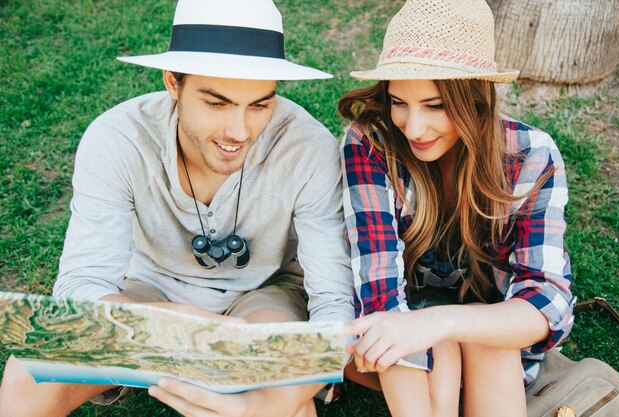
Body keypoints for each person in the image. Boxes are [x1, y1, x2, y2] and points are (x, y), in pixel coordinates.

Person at [0, 1, 354, 416]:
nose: (239, 131)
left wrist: (290, 387)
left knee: (279, 395)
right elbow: (82, 285)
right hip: (149, 289)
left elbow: (334, 306)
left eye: (260, 105)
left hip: (264, 298)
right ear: (173, 82)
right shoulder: (118, 138)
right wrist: (183, 325)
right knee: (28, 373)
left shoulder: (307, 148)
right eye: (217, 103)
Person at [339, 1, 575, 416]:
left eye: (435, 106)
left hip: (490, 338)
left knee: (486, 344)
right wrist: (425, 330)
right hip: (391, 346)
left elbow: (547, 302)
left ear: (475, 99)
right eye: (399, 102)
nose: (413, 128)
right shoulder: (370, 144)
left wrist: (442, 322)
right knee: (437, 345)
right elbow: (380, 303)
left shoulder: (531, 156)